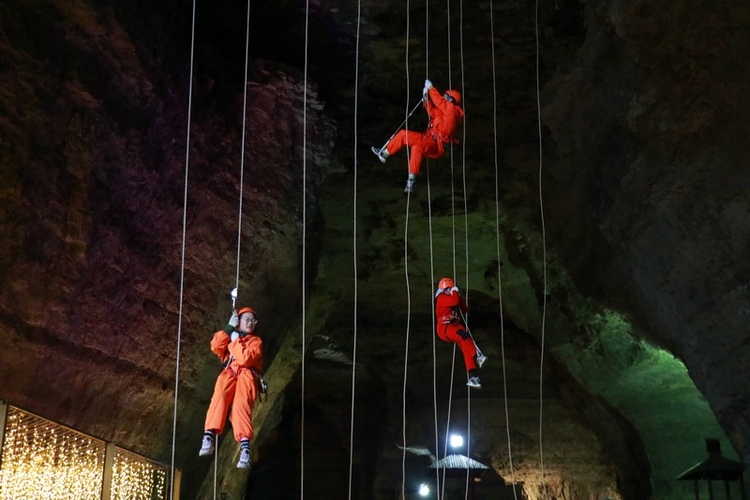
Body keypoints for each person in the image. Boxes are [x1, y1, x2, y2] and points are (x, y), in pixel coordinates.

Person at [198, 306, 264, 469]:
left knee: (240, 406)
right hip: (229, 372)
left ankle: (245, 447)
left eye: (253, 320)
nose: (250, 323)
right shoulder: (230, 337)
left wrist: (235, 342)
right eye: (246, 319)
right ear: (239, 321)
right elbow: (215, 346)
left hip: (246, 375)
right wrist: (229, 327)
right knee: (220, 396)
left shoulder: (256, 342)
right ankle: (208, 436)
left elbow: (246, 359)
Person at [371, 79, 464, 193]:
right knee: (403, 134)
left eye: (445, 96)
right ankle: (385, 154)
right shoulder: (444, 112)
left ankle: (411, 180)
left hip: (437, 144)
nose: (443, 97)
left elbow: (439, 102)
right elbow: (433, 111)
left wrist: (431, 89)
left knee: (417, 148)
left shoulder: (453, 110)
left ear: (450, 99)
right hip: (429, 138)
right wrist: (426, 100)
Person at [434, 277, 487, 388]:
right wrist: (454, 292)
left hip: (453, 326)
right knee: (462, 335)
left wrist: (457, 295)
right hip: (445, 328)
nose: (450, 291)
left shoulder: (452, 298)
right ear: (444, 290)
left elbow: (464, 308)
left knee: (465, 346)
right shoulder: (441, 298)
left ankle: (473, 376)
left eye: (451, 289)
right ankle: (477, 355)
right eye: (449, 289)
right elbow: (454, 301)